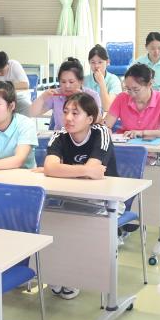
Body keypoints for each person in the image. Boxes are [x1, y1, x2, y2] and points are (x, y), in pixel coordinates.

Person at [42, 92, 117, 301]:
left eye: (75, 113)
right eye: (65, 112)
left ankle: (73, 276)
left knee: (75, 228)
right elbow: (50, 168)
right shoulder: (59, 135)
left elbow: (94, 169)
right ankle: (55, 272)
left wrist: (61, 169)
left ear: (90, 119)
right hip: (69, 198)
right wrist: (84, 170)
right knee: (51, 221)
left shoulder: (101, 132)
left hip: (105, 201)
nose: (68, 118)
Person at [103, 63, 160, 140]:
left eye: (136, 90)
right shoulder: (121, 98)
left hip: (153, 146)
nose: (132, 94)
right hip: (125, 144)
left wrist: (143, 133)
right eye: (128, 89)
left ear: (149, 84)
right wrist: (106, 130)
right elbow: (106, 125)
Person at [31, 58, 100, 130]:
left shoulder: (93, 95)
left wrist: (84, 100)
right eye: (63, 82)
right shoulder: (55, 94)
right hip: (61, 135)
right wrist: (42, 98)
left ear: (81, 81)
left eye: (71, 82)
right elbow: (32, 113)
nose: (67, 86)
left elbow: (98, 120)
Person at [85, 44, 121, 113]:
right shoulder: (85, 80)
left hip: (107, 116)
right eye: (93, 62)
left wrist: (101, 83)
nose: (96, 66)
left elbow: (107, 107)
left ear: (107, 62)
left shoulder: (114, 80)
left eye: (100, 62)